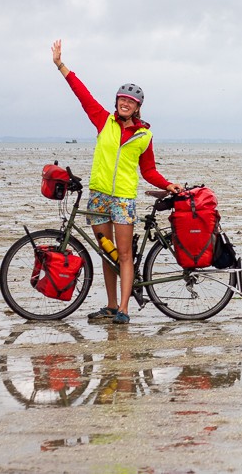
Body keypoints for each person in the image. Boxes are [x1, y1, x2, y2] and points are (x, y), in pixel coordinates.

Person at [51, 40, 182, 324]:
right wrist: (61, 65)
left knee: (123, 254)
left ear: (137, 107)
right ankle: (111, 305)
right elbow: (81, 94)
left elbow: (148, 171)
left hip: (123, 198)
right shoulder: (103, 121)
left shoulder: (144, 136)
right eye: (122, 98)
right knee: (106, 252)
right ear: (117, 102)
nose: (125, 102)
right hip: (99, 195)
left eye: (131, 101)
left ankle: (124, 309)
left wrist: (169, 184)